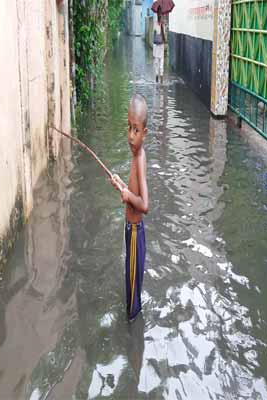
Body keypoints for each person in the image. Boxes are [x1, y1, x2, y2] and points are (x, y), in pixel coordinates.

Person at [110, 94, 149, 321]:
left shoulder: (140, 159)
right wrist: (121, 186)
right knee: (130, 279)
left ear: (145, 133)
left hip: (135, 233)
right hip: (130, 231)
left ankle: (133, 336)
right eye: (129, 128)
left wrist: (127, 196)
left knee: (133, 294)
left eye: (136, 130)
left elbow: (144, 204)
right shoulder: (135, 157)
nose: (130, 136)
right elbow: (133, 195)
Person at [153, 10, 166, 83]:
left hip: (157, 46)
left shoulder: (155, 24)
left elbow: (154, 36)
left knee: (156, 62)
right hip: (161, 45)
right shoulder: (163, 25)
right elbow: (164, 37)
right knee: (161, 62)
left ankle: (157, 78)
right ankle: (161, 79)